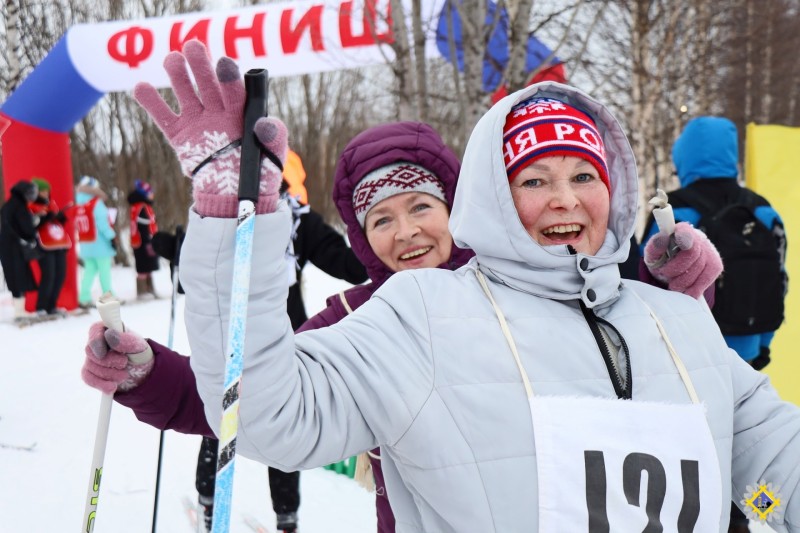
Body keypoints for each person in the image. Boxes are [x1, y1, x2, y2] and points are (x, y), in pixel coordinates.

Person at [142, 43, 800, 532]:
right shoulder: (414, 312)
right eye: (534, 180)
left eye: (584, 175)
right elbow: (263, 409)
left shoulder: (674, 319)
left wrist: (664, 288)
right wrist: (233, 224)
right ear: (495, 199)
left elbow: (770, 454)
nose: (563, 199)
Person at [640, 116, 790, 533]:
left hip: (685, 355)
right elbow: (779, 276)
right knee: (746, 438)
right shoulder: (761, 206)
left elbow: (638, 283)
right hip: (749, 347)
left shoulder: (673, 207)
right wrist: (762, 342)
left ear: (682, 154)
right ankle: (754, 513)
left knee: (697, 441)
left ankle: (702, 513)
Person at [28, 177, 71, 317]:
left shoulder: (51, 204)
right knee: (49, 275)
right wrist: (46, 217)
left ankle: (52, 306)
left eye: (47, 191)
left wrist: (60, 217)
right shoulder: (30, 206)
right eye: (42, 191)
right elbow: (32, 225)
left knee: (60, 275)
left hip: (58, 243)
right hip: (43, 245)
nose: (45, 194)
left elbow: (57, 222)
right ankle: (41, 307)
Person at [75, 176, 118, 308]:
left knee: (89, 272)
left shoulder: (79, 204)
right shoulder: (96, 204)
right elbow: (103, 224)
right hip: (100, 245)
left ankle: (84, 297)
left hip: (86, 244)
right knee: (104, 272)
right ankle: (109, 298)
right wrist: (112, 237)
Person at [0, 180, 40, 322]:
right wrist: (34, 227)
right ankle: (19, 311)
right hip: (16, 248)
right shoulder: (20, 207)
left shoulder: (7, 205)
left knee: (14, 277)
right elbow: (26, 228)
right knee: (20, 276)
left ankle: (19, 310)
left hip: (6, 247)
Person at [128, 179, 160, 299]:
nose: (153, 195)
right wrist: (150, 240)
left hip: (139, 241)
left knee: (146, 266)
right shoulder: (142, 207)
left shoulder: (137, 206)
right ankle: (143, 292)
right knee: (144, 266)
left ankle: (149, 289)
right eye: (150, 193)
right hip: (143, 241)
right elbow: (144, 227)